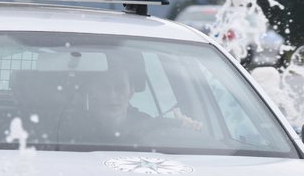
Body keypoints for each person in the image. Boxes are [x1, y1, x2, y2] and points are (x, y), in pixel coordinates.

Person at [59, 61, 201, 144]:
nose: (112, 95)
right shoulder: (68, 127)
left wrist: (185, 129)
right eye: (104, 88)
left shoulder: (154, 127)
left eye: (119, 87)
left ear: (131, 91)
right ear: (90, 91)